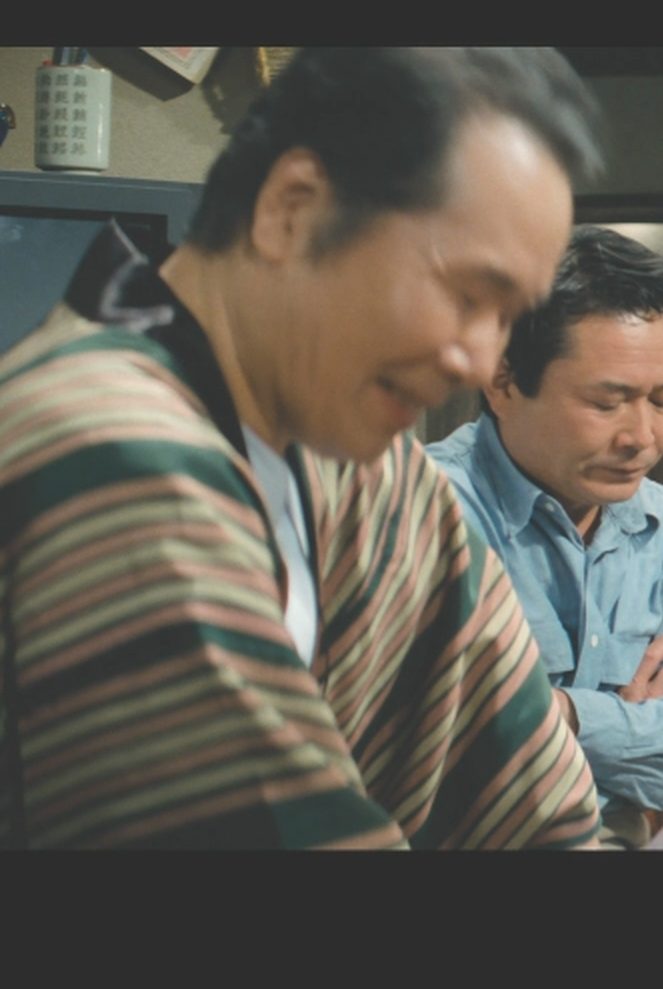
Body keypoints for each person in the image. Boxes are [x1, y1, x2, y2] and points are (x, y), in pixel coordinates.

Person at [0, 48, 605, 848]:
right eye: (465, 293)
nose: (479, 360)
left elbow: (540, 801)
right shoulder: (107, 449)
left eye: (508, 318)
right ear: (293, 211)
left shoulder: (372, 469)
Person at [427, 226, 663, 829]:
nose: (642, 437)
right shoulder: (428, 514)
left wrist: (569, 717)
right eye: (607, 404)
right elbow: (443, 755)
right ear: (503, 383)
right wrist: (636, 729)